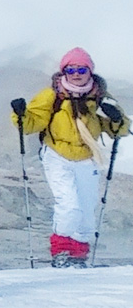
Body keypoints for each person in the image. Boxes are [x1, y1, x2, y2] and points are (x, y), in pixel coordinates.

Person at [14, 48, 126, 267]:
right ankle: (61, 251)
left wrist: (115, 120)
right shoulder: (52, 95)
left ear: (90, 71)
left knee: (86, 210)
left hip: (86, 156)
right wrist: (21, 114)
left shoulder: (100, 97)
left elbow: (119, 130)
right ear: (64, 71)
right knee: (69, 206)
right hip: (57, 154)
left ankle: (78, 255)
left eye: (81, 69)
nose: (76, 74)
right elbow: (31, 124)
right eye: (71, 69)